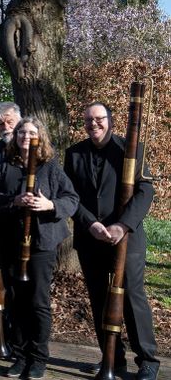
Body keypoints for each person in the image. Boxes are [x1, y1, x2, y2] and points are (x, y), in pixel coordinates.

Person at [64, 102, 159, 380]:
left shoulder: (130, 150)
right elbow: (69, 196)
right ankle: (112, 359)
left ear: (111, 121)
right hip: (90, 238)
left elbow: (145, 192)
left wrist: (122, 225)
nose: (94, 124)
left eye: (99, 119)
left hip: (126, 238)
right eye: (88, 121)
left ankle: (148, 361)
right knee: (100, 301)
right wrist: (89, 223)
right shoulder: (74, 154)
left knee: (132, 297)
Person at [0, 117, 78, 380]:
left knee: (38, 302)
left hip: (41, 243)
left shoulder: (50, 166)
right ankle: (20, 356)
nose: (25, 136)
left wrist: (49, 206)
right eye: (21, 131)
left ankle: (39, 358)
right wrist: (14, 201)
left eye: (31, 132)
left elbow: (71, 199)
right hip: (11, 241)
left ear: (40, 136)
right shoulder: (3, 165)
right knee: (15, 300)